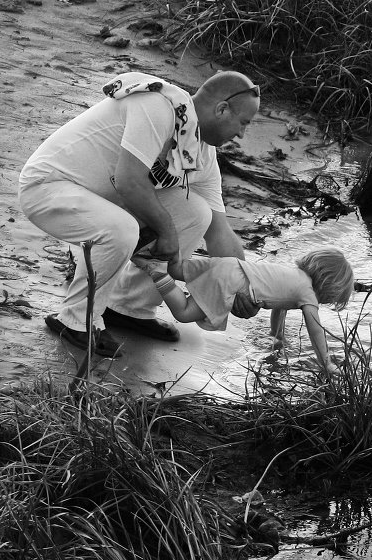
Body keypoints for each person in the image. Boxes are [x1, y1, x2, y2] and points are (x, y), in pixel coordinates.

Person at [18, 70, 262, 357]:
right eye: (243, 123)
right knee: (122, 229)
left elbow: (219, 231)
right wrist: (167, 232)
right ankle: (76, 320)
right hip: (49, 187)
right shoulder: (159, 107)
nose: (242, 134)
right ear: (222, 109)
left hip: (101, 201)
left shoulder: (200, 151)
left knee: (197, 212)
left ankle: (127, 307)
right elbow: (129, 182)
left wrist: (244, 283)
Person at [136, 249, 354, 374]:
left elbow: (279, 310)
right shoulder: (308, 294)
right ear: (329, 286)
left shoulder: (294, 277)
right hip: (232, 282)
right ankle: (157, 275)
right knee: (184, 313)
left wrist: (277, 337)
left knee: (179, 270)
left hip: (231, 265)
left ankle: (147, 254)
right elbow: (315, 328)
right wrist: (326, 362)